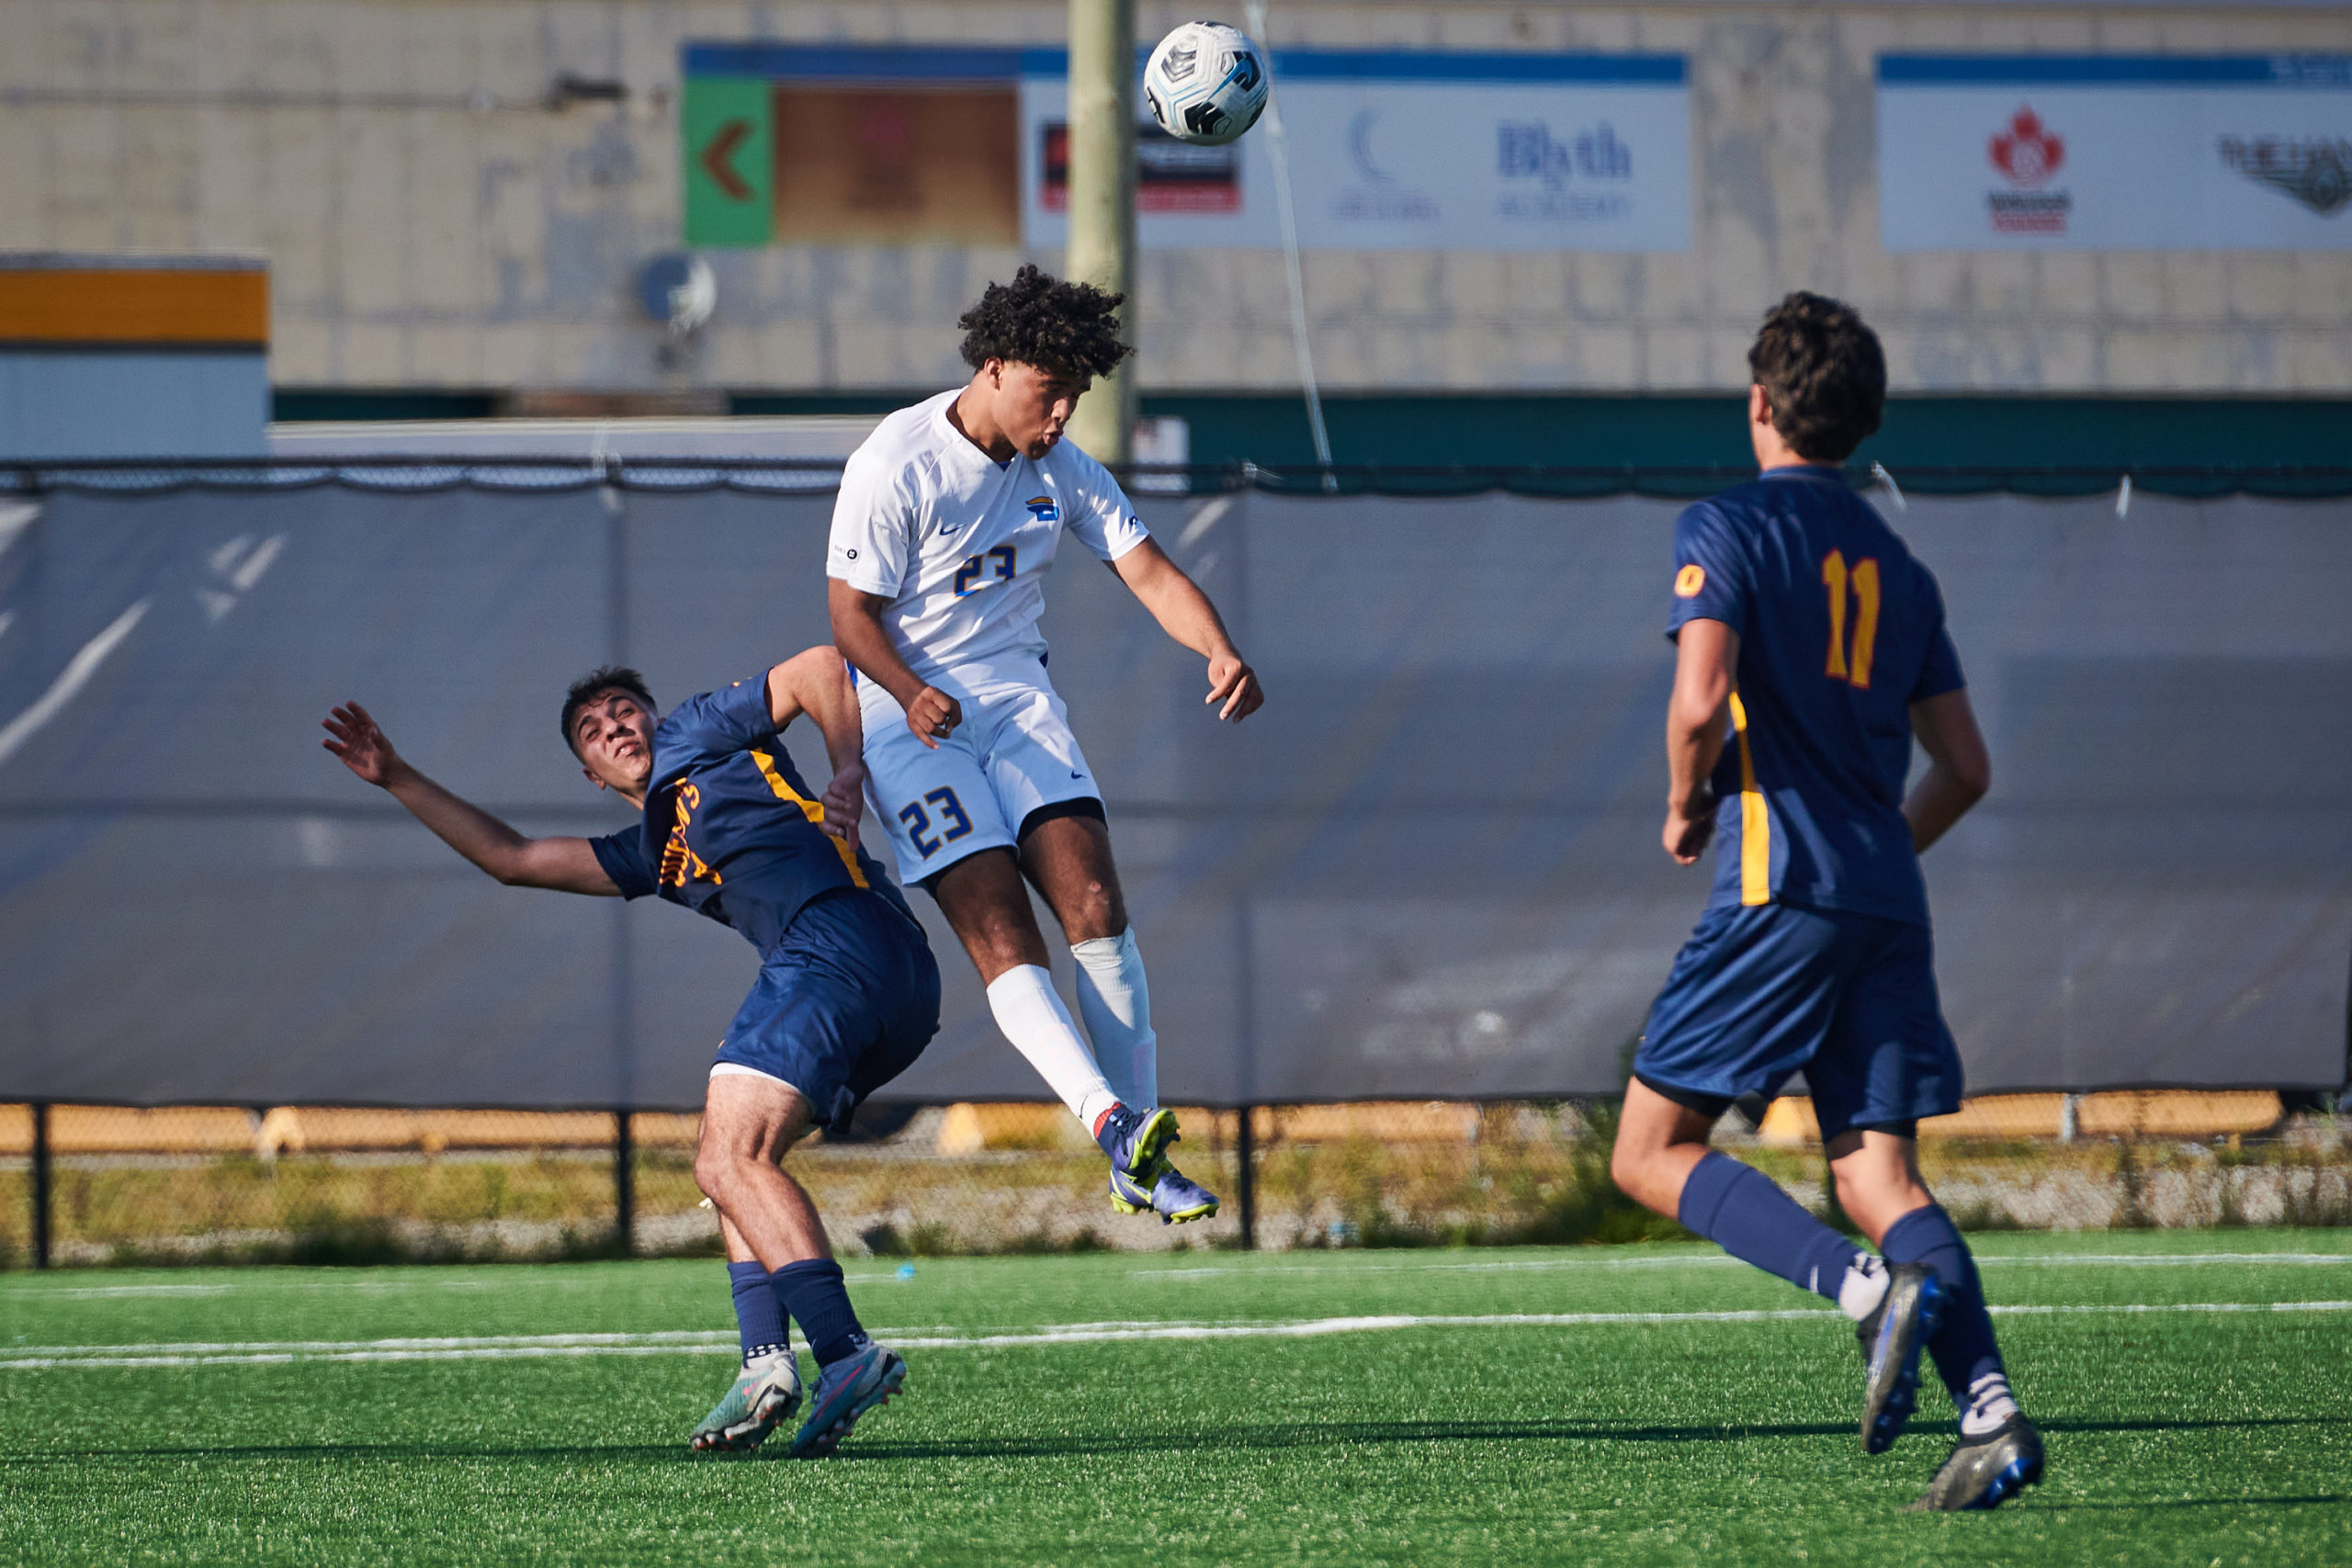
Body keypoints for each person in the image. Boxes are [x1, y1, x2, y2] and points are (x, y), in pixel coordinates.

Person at [1607, 292, 2040, 1511]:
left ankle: (1861, 1291)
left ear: (1760, 405)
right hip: (1884, 901)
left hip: (1776, 882)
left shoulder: (1730, 524)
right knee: (1879, 1176)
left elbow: (1699, 701)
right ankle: (1993, 1413)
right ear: (1861, 422)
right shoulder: (1902, 568)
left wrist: (1688, 802)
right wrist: (1876, 857)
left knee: (1648, 1149)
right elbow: (1968, 766)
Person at [322, 649, 940, 1460]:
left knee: (730, 1158)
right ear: (589, 771)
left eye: (623, 710)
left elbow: (821, 666)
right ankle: (764, 1367)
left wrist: (848, 769)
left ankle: (843, 1352)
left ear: (651, 720)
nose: (614, 725)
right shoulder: (649, 848)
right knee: (730, 1163)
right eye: (592, 727)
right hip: (893, 983)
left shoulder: (695, 730)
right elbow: (514, 859)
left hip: (838, 938)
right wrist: (397, 774)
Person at [826, 264, 1262, 1226]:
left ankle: (1135, 1149)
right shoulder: (894, 461)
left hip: (1017, 704)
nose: (1062, 413)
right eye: (1048, 389)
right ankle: (1113, 1124)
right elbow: (849, 616)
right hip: (911, 724)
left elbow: (1148, 574)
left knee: (1097, 908)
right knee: (1003, 936)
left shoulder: (1060, 469)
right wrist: (908, 689)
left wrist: (1221, 646)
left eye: (1075, 394)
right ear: (991, 367)